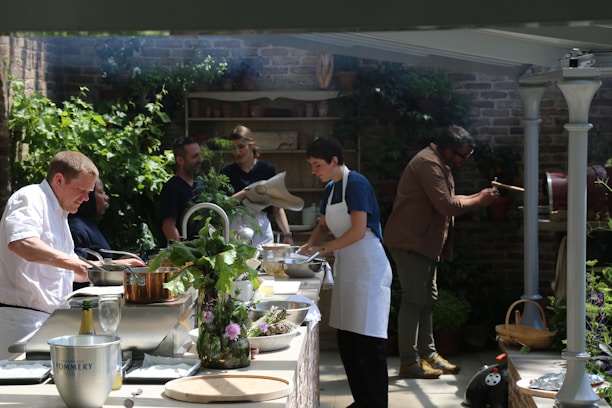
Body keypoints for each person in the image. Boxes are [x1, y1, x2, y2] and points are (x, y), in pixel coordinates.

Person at [383, 125, 499, 379]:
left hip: (423, 243)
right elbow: (447, 205)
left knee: (428, 299)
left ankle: (429, 355)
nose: (463, 161)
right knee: (414, 300)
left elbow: (448, 201)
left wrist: (478, 196)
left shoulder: (439, 162)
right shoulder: (428, 164)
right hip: (410, 242)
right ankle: (409, 362)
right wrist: (480, 199)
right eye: (462, 155)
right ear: (447, 150)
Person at [298, 136, 391, 408]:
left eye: (317, 165)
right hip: (348, 266)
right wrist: (308, 246)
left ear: (334, 161)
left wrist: (323, 249)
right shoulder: (330, 189)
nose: (314, 170)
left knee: (368, 344)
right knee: (348, 342)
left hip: (368, 268)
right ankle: (361, 401)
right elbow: (323, 225)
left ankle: (376, 404)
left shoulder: (357, 183)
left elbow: (359, 230)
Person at [0, 151, 100, 359]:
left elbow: (68, 270)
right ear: (59, 180)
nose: (86, 198)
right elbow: (21, 243)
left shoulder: (60, 213)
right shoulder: (31, 197)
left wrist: (109, 270)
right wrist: (73, 263)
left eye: (89, 192)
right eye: (81, 190)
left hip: (46, 322)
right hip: (20, 323)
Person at [221, 125, 294, 247]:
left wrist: (287, 235)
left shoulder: (268, 170)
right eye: (233, 148)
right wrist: (245, 192)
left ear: (252, 145)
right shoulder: (227, 172)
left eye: (241, 146)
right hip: (235, 227)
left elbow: (278, 207)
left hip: (261, 228)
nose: (237, 152)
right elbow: (224, 206)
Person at [160, 136, 203, 242]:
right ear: (180, 160)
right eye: (195, 156)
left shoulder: (201, 184)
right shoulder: (171, 188)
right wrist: (182, 249)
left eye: (200, 155)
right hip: (187, 248)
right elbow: (168, 226)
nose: (200, 159)